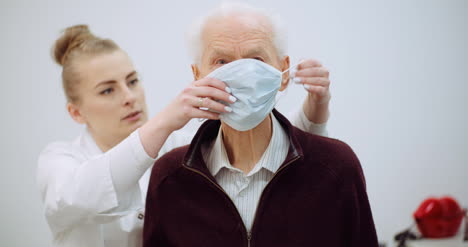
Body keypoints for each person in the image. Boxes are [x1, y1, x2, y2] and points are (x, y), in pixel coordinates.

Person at [37, 22, 332, 246]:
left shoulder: (178, 150)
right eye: (108, 90)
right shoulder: (59, 161)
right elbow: (85, 194)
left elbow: (275, 146)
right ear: (75, 112)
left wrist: (315, 103)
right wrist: (167, 119)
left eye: (132, 81)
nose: (129, 97)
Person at [143, 3, 378, 247]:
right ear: (197, 75)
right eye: (222, 61)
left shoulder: (336, 167)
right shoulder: (170, 178)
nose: (242, 74)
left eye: (256, 59)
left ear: (283, 73)